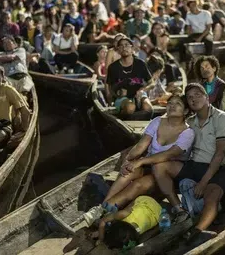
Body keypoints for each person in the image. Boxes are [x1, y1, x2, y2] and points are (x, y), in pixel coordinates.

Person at [82, 94, 194, 226]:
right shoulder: (157, 121)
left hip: (166, 175)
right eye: (170, 103)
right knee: (128, 171)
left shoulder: (188, 133)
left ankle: (106, 210)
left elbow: (167, 155)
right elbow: (141, 145)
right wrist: (128, 160)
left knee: (137, 185)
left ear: (186, 111)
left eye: (178, 104)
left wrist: (139, 161)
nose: (172, 106)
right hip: (149, 166)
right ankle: (102, 209)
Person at [152, 83, 225, 246]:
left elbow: (220, 154)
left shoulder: (221, 118)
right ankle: (180, 210)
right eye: (190, 97)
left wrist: (204, 182)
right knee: (159, 166)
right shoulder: (190, 121)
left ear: (207, 97)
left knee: (211, 196)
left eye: (198, 94)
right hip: (194, 165)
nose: (193, 99)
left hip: (220, 168)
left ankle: (197, 231)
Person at [106, 37, 154, 116]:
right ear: (118, 50)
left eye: (126, 45)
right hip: (122, 99)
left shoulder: (140, 63)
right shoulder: (113, 67)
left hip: (139, 94)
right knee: (130, 108)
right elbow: (110, 87)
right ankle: (122, 119)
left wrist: (143, 90)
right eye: (121, 46)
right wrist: (118, 93)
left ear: (132, 48)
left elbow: (152, 83)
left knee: (148, 108)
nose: (124, 48)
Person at [96, 196, 162, 249]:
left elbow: (103, 221)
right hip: (152, 207)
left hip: (153, 208)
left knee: (127, 209)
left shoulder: (135, 234)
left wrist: (101, 238)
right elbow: (103, 221)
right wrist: (101, 238)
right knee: (128, 209)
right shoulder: (125, 214)